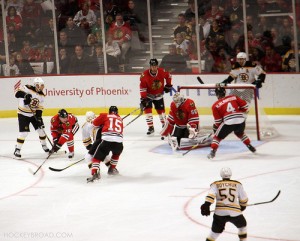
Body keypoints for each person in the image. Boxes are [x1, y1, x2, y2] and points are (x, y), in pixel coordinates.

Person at [207, 85, 256, 159]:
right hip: (241, 120)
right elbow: (245, 107)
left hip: (229, 121)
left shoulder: (215, 105)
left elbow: (218, 121)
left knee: (217, 137)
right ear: (225, 92)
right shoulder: (234, 97)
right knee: (240, 133)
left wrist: (217, 127)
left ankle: (213, 152)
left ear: (216, 95)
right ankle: (249, 146)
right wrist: (238, 113)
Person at [200, 167, 248, 241]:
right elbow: (244, 199)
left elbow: (210, 196)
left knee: (214, 233)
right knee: (242, 226)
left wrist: (206, 205)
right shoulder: (238, 184)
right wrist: (242, 206)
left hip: (220, 213)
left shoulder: (215, 184)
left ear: (221, 175)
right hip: (235, 212)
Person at [14, 77, 49, 158]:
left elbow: (39, 108)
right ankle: (17, 149)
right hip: (23, 114)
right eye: (41, 85)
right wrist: (25, 95)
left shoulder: (42, 95)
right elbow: (16, 93)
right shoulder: (27, 88)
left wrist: (39, 118)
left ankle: (44, 145)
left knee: (41, 130)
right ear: (37, 85)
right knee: (24, 133)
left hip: (33, 114)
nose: (43, 87)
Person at [87, 106, 123, 182]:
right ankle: (112, 169)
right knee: (116, 154)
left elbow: (95, 123)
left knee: (96, 158)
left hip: (107, 141)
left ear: (109, 111)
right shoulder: (120, 118)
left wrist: (102, 124)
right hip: (119, 143)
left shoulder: (105, 115)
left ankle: (94, 173)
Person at [139, 58, 173, 135]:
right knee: (148, 111)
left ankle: (164, 126)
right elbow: (142, 87)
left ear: (157, 66)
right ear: (150, 66)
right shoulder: (144, 75)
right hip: (148, 96)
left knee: (161, 112)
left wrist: (168, 85)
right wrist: (144, 99)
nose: (154, 68)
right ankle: (151, 127)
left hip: (159, 95)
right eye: (152, 66)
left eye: (155, 66)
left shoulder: (162, 71)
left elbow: (169, 76)